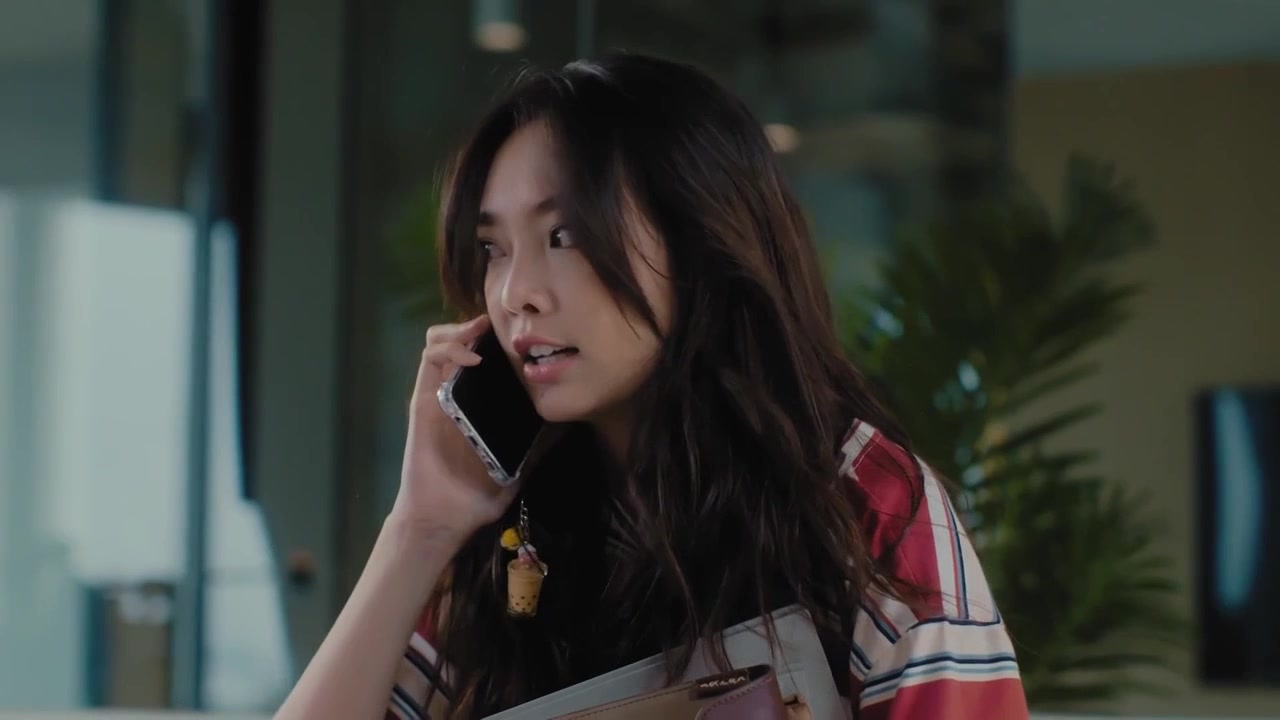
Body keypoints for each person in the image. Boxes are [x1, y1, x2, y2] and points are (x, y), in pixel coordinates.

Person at [275, 53, 1030, 720]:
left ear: (700, 238)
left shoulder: (866, 509)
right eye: (493, 248)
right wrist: (419, 530)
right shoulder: (502, 533)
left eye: (563, 236)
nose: (513, 294)